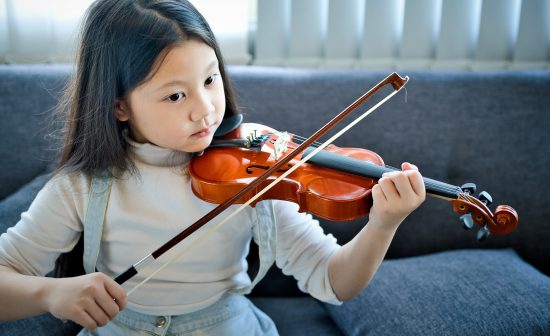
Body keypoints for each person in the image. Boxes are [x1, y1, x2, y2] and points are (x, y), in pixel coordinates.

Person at [0, 0, 426, 334]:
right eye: (174, 96)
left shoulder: (258, 168)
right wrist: (49, 293)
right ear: (119, 105)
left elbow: (335, 280)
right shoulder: (83, 186)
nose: (205, 111)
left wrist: (382, 225)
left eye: (209, 79)